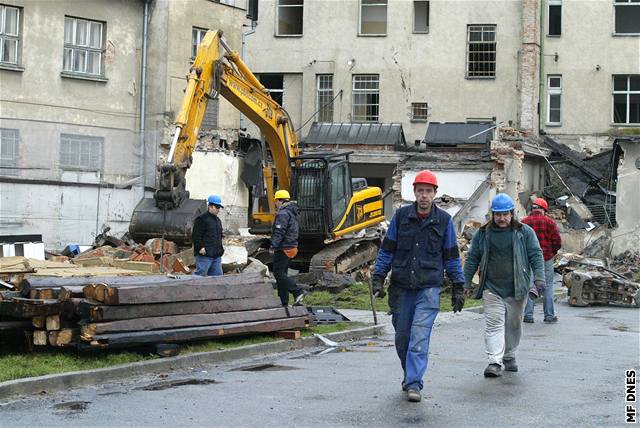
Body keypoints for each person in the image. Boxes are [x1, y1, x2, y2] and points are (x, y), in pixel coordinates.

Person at [371, 170, 465, 403]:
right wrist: (378, 277)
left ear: (435, 194)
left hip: (429, 288)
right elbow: (387, 250)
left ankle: (414, 382)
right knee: (403, 337)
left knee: (419, 338)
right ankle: (409, 375)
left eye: (428, 191)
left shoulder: (444, 221)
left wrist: (458, 285)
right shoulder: (401, 217)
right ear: (414, 192)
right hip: (401, 287)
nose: (424, 195)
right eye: (420, 191)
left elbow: (452, 256)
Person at [463, 193, 545, 378]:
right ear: (492, 214)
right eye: (497, 214)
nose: (501, 218)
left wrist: (539, 278)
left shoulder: (524, 232)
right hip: (491, 288)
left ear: (512, 213)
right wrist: (465, 282)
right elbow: (472, 258)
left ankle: (509, 355)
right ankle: (494, 361)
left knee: (513, 324)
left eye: (505, 214)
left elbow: (536, 255)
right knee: (494, 324)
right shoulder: (483, 234)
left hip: (517, 287)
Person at [522, 197, 562, 323]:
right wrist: (552, 252)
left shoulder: (524, 223)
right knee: (548, 286)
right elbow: (557, 241)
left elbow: (519, 241)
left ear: (533, 209)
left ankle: (528, 315)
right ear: (543, 210)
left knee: (530, 285)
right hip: (546, 258)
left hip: (529, 259)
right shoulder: (550, 223)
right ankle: (549, 315)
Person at [271, 189, 305, 306]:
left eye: (275, 201)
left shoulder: (283, 214)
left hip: (284, 248)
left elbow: (280, 231)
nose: (275, 204)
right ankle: (284, 302)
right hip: (292, 247)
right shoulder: (293, 212)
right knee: (282, 275)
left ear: (280, 201)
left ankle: (298, 291)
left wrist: (273, 245)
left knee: (278, 274)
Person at [192, 195, 224, 277]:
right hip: (204, 255)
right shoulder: (201, 219)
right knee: (199, 276)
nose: (218, 209)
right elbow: (196, 235)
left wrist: (220, 249)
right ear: (210, 206)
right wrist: (200, 247)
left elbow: (219, 237)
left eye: (219, 207)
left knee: (217, 278)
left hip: (216, 256)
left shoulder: (218, 221)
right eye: (216, 207)